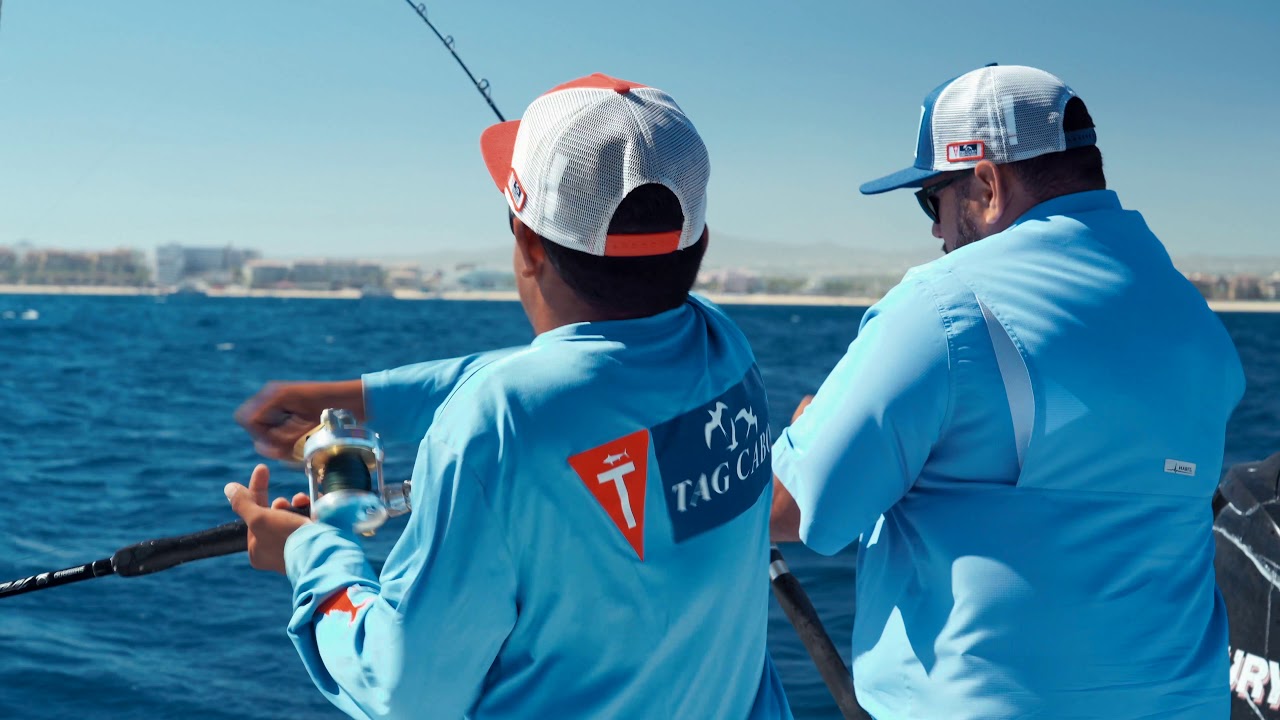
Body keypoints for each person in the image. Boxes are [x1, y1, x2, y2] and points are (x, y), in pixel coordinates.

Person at [223, 73, 791, 720]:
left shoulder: (495, 424)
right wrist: (361, 396)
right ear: (700, 243)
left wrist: (307, 553)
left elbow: (406, 691)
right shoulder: (724, 347)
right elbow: (572, 373)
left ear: (526, 247)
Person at [769, 64, 1245, 719]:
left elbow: (796, 507)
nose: (936, 231)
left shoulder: (943, 308)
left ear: (986, 183)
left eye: (932, 198)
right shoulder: (1197, 325)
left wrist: (809, 435)